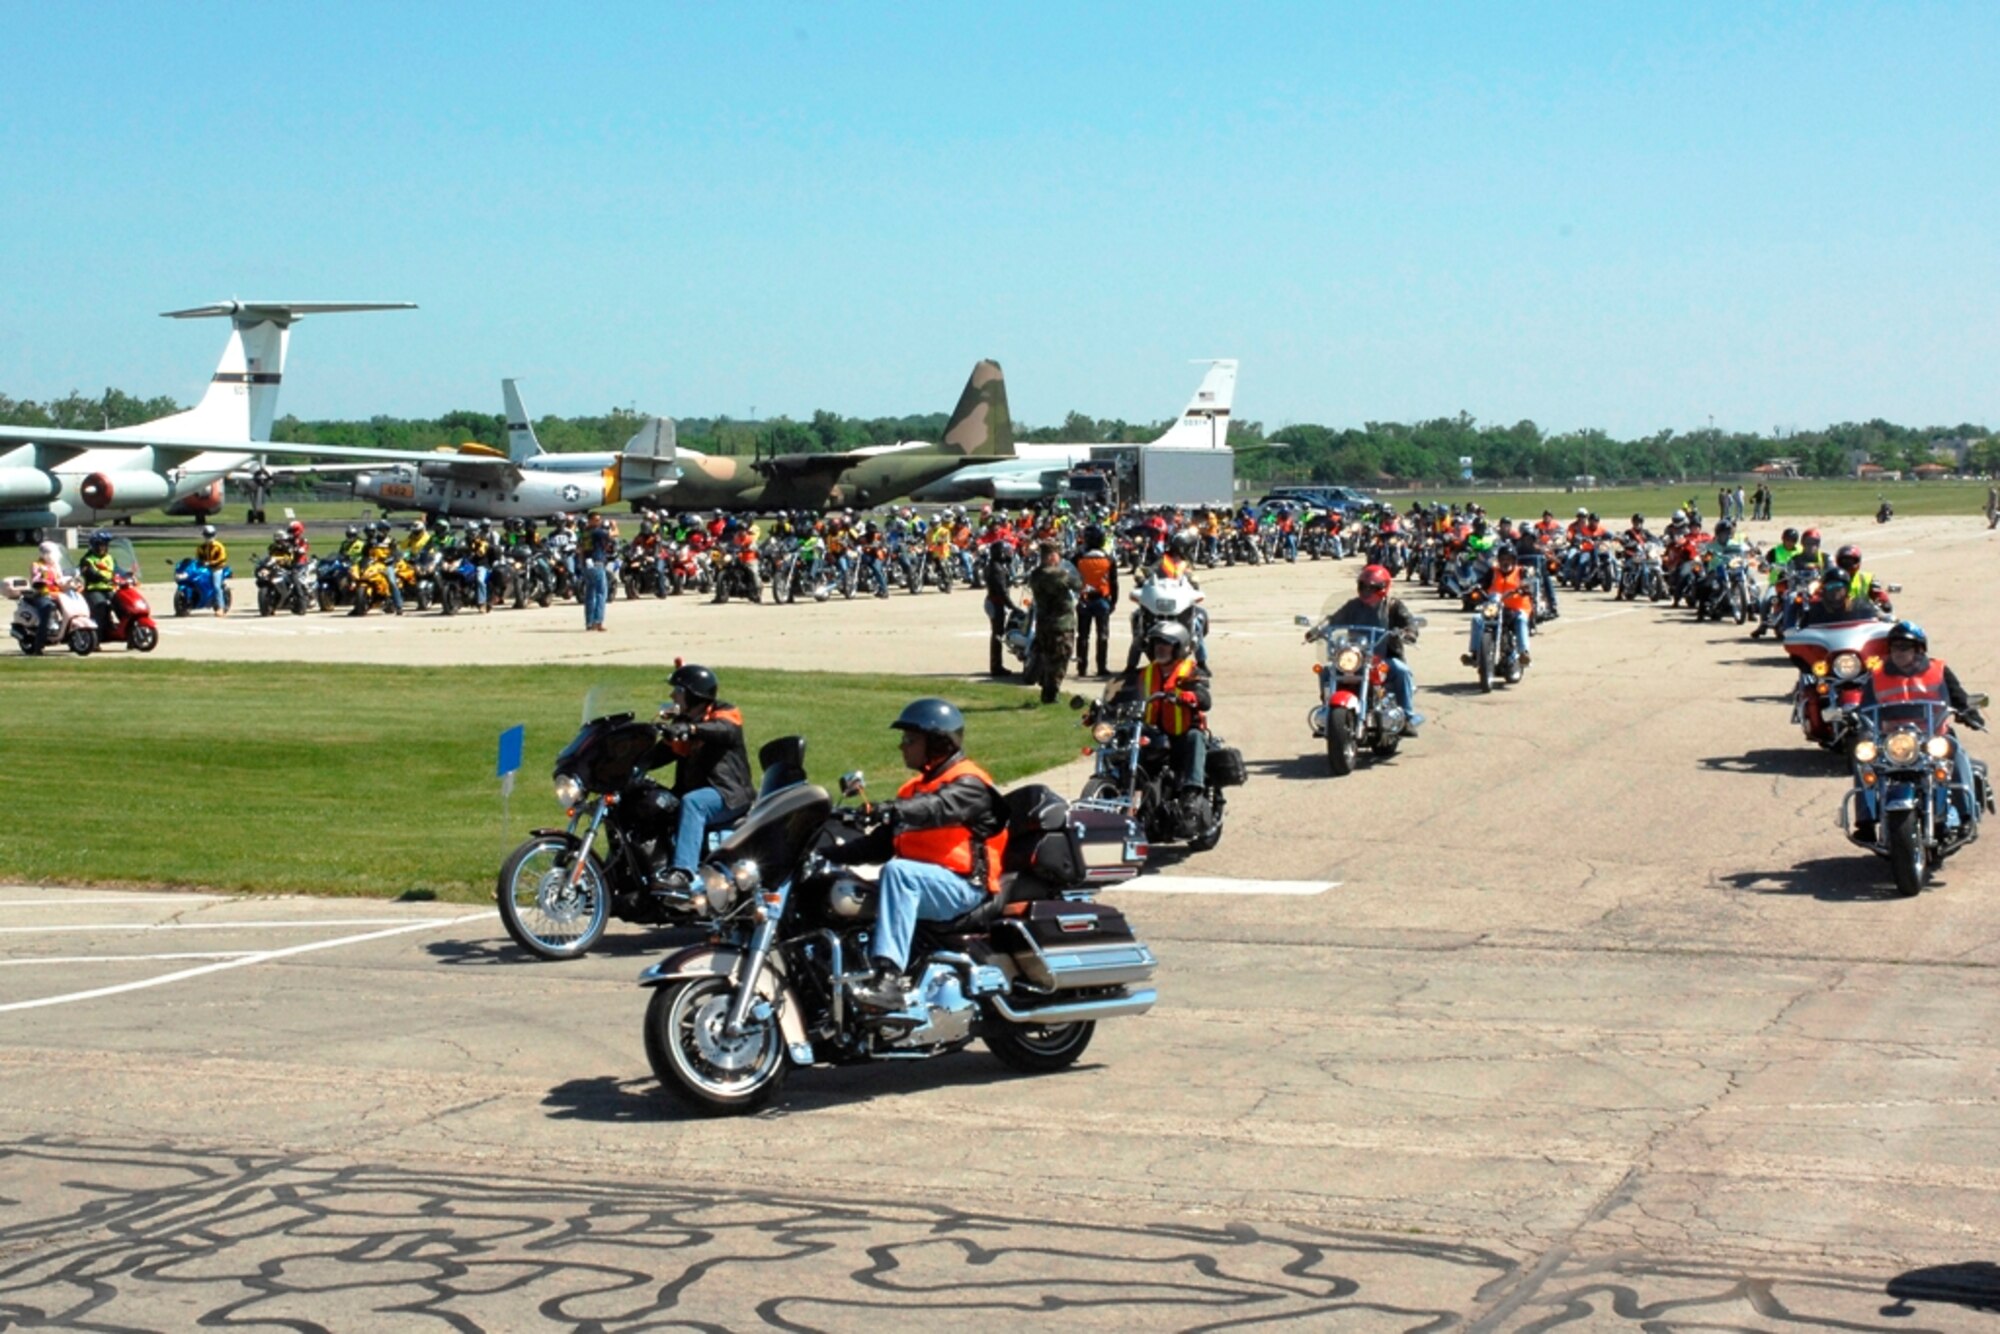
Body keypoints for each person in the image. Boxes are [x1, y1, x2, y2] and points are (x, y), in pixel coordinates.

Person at [834, 698, 1010, 1010]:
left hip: (966, 887)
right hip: (931, 884)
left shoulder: (969, 784)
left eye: (910, 740)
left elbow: (937, 808)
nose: (902, 747)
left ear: (937, 743)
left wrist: (888, 810)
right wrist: (829, 853)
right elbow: (879, 846)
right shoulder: (912, 790)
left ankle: (888, 978)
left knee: (899, 874)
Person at [1854, 621, 1987, 839]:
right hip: (1892, 740)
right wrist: (1860, 726)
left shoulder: (1938, 670)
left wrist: (1968, 713)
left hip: (1932, 735)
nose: (1899, 652)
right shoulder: (1876, 675)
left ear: (1919, 649)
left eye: (1905, 647)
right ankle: (1865, 821)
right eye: (1895, 647)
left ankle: (1966, 815)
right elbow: (1865, 708)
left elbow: (1958, 696)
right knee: (1864, 760)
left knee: (1956, 752)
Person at [649, 664, 753, 899]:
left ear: (693, 694)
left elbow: (724, 730)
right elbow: (659, 755)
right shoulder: (684, 723)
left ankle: (683, 874)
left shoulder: (725, 713)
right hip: (701, 791)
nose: (672, 695)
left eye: (678, 690)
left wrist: (691, 728)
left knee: (694, 803)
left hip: (728, 794)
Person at [1320, 564, 1424, 735]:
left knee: (1402, 671)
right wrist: (1319, 629)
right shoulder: (1353, 605)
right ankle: (1328, 711)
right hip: (1357, 656)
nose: (1367, 591)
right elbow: (1334, 619)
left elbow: (1409, 622)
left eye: (1372, 588)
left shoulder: (1393, 606)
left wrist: (1408, 633)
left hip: (1384, 656)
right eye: (1363, 587)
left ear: (1384, 588)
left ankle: (1407, 717)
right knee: (1326, 671)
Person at [1136, 622, 1213, 812]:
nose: (1160, 647)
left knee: (1195, 738)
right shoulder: (1145, 673)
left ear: (1178, 647)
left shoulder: (1191, 671)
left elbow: (1205, 699)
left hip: (1182, 734)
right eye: (1156, 643)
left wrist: (1189, 696)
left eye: (1166, 643)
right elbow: (1123, 693)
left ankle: (1192, 792)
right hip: (1154, 734)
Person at [1026, 539, 1081, 704]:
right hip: (1061, 623)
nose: (1059, 558)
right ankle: (1051, 694)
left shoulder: (1035, 574)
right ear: (1051, 557)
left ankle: (1046, 689)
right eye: (1057, 555)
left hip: (1043, 623)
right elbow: (1077, 584)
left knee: (1048, 657)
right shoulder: (1059, 574)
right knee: (1060, 659)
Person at [1073, 526, 1118, 679]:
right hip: (1102, 600)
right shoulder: (1108, 558)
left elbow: (1072, 577)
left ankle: (1082, 667)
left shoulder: (1078, 557)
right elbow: (1114, 582)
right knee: (1103, 635)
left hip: (1084, 600)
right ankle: (1101, 667)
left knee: (1083, 636)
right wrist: (1114, 601)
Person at [579, 511, 615, 631]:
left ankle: (589, 622)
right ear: (590, 520)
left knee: (590, 594)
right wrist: (614, 525)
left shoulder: (584, 532)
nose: (598, 522)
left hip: (587, 564)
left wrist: (582, 564)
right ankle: (598, 621)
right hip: (597, 563)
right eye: (596, 520)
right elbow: (614, 534)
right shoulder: (597, 532)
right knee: (601, 593)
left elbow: (580, 549)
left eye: (599, 520)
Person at [78, 530, 117, 636]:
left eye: (104, 545)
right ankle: (97, 638)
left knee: (122, 604)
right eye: (99, 545)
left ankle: (126, 633)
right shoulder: (87, 559)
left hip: (109, 589)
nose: (101, 548)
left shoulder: (110, 558)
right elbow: (88, 572)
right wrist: (99, 576)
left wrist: (129, 575)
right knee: (101, 606)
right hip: (93, 590)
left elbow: (118, 570)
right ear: (93, 546)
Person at [194, 524, 229, 615]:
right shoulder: (201, 547)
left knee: (216, 586)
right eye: (206, 535)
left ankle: (221, 607)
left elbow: (222, 558)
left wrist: (211, 563)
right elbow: (197, 558)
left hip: (217, 568)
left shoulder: (219, 546)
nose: (208, 537)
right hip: (205, 568)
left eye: (210, 535)